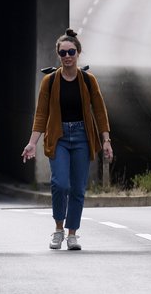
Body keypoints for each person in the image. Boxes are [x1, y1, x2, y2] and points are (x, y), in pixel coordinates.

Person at [20, 28, 113, 251]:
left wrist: (106, 140)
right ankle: (58, 229)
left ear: (78, 53)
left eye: (71, 51)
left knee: (78, 188)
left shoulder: (88, 81)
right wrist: (32, 142)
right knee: (60, 184)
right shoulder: (50, 82)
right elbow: (41, 113)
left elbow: (99, 111)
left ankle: (72, 234)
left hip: (82, 136)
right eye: (63, 53)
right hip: (59, 136)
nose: (68, 56)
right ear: (58, 55)